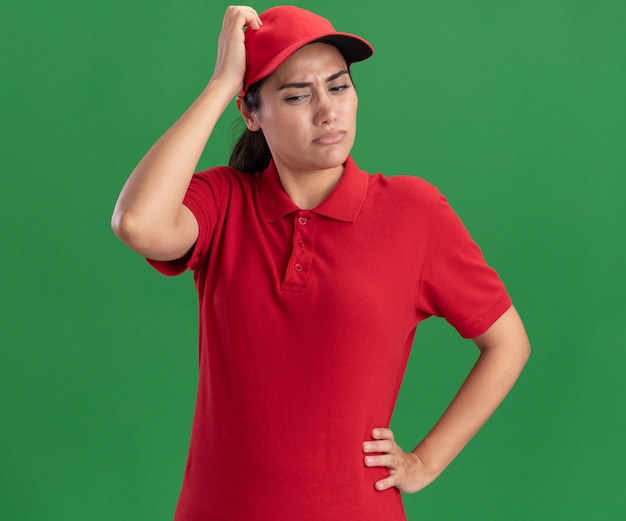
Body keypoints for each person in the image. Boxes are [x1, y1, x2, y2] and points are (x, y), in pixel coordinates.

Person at [111, 5, 530, 521]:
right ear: (250, 112)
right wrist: (222, 83)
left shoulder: (414, 212)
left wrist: (424, 461)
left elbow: (508, 342)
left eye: (339, 86)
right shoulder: (222, 202)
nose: (328, 111)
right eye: (296, 95)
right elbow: (137, 223)